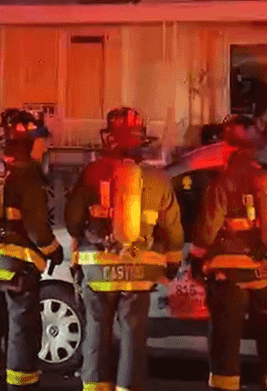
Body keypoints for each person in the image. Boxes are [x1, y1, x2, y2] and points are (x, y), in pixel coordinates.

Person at [64, 107, 183, 391]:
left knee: (97, 332)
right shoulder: (156, 180)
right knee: (133, 337)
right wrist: (172, 264)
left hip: (98, 271)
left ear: (110, 139)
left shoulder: (92, 173)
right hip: (137, 272)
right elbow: (174, 230)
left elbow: (72, 221)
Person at [188, 114, 267, 391]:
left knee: (226, 342)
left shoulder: (222, 183)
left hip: (231, 276)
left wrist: (196, 259)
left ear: (228, 149)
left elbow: (206, 232)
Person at [0, 109, 63, 391]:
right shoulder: (28, 176)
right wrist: (54, 251)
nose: (44, 148)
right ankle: (20, 386)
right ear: (30, 142)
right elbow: (36, 229)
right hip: (18, 270)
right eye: (41, 142)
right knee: (22, 330)